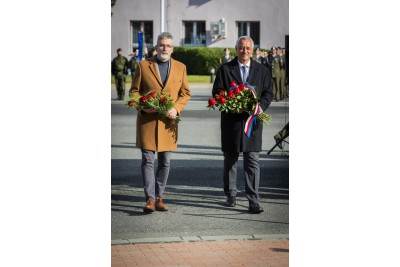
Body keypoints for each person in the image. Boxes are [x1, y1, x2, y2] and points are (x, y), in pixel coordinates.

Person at [129, 32, 191, 213]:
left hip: (168, 123)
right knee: (147, 159)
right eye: (162, 45)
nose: (165, 48)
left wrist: (177, 108)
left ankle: (159, 197)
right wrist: (143, 106)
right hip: (147, 121)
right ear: (156, 47)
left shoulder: (181, 67)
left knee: (165, 162)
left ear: (172, 49)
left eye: (168, 45)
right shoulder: (143, 65)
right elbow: (134, 92)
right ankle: (149, 199)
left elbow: (185, 93)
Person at [212, 36, 273, 214]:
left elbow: (268, 93)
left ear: (252, 50)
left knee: (252, 162)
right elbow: (217, 92)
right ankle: (230, 195)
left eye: (247, 48)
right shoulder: (225, 69)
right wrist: (232, 105)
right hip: (231, 123)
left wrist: (259, 107)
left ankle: (253, 200)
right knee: (230, 161)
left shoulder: (262, 70)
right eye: (241, 48)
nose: (244, 51)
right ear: (236, 48)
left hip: (252, 124)